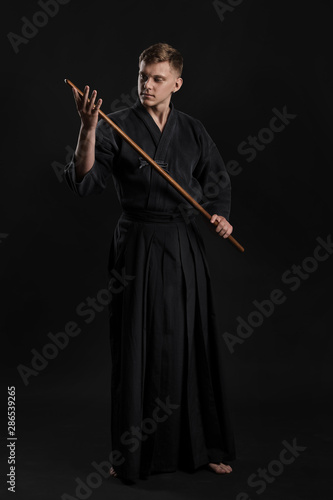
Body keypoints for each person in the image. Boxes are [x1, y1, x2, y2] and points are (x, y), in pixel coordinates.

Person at [64, 42, 236, 483]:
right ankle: (130, 455)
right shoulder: (115, 125)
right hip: (136, 243)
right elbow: (84, 181)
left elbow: (216, 180)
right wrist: (86, 128)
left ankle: (203, 446)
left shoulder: (193, 130)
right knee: (135, 345)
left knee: (188, 342)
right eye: (143, 75)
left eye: (158, 78)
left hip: (182, 243)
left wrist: (220, 217)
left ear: (176, 83)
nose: (147, 84)